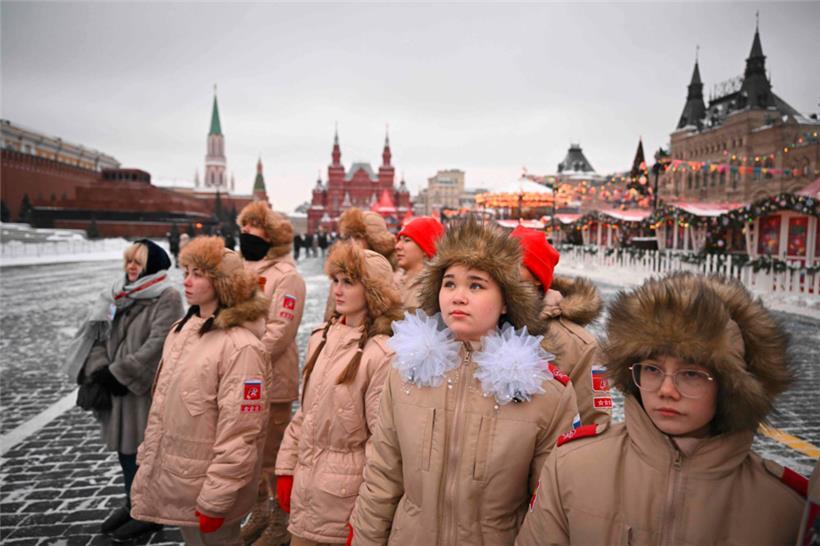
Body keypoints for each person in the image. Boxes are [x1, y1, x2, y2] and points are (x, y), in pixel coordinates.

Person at [517, 272, 807, 546]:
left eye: (691, 374)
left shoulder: (786, 507)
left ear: (731, 386)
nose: (667, 390)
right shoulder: (572, 466)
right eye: (653, 369)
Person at [350, 218, 579, 546]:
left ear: (505, 302)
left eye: (476, 285)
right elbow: (383, 476)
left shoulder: (545, 392)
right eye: (449, 283)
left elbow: (550, 509)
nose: (458, 296)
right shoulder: (406, 372)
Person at [129, 236, 272, 546]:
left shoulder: (241, 346)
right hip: (181, 479)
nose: (187, 281)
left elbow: (242, 431)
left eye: (198, 274)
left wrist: (217, 496)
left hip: (209, 484)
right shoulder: (182, 330)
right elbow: (163, 407)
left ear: (223, 283)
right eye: (186, 271)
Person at [275, 241, 402, 546]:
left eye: (349, 282)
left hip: (345, 499)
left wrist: (366, 517)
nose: (338, 290)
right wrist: (286, 468)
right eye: (335, 281)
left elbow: (382, 445)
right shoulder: (321, 338)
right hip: (307, 491)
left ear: (372, 290)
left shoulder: (382, 354)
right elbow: (305, 413)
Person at [63, 239, 183, 541]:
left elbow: (159, 345)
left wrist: (121, 372)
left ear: (152, 266)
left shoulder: (166, 297)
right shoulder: (117, 296)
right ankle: (133, 503)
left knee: (142, 453)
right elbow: (100, 337)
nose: (131, 267)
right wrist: (102, 368)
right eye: (129, 260)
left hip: (141, 391)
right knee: (125, 453)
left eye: (138, 262)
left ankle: (148, 512)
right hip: (117, 388)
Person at [236, 201, 306, 546]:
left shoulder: (286, 276)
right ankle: (260, 511)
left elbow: (280, 331)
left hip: (272, 380)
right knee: (249, 455)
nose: (246, 233)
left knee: (274, 454)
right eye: (244, 226)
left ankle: (280, 520)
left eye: (254, 227)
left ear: (272, 236)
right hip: (237, 380)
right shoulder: (239, 269)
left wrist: (242, 359)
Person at [510, 226, 610, 426]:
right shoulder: (481, 325)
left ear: (537, 279)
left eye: (514, 262)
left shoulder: (581, 345)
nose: (503, 270)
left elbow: (594, 421)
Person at [324, 208, 397, 320]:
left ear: (375, 240)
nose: (351, 243)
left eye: (357, 237)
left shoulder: (394, 277)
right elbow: (330, 316)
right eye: (348, 237)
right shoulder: (341, 276)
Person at [394, 216, 444, 311]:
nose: (398, 246)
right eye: (399, 240)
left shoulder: (433, 288)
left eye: (407, 240)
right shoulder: (392, 280)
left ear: (426, 250)